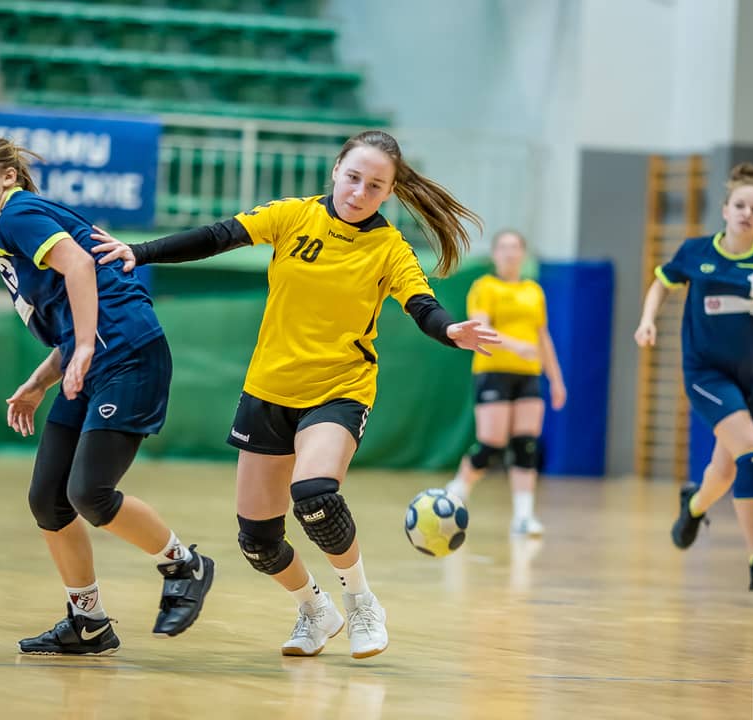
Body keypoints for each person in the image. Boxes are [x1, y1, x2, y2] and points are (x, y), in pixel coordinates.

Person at [92, 129, 498, 659]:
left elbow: (422, 304)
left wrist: (449, 330)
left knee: (316, 495)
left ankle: (361, 602)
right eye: (353, 178)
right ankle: (314, 608)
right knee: (257, 540)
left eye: (375, 186)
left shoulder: (389, 248)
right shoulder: (293, 215)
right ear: (336, 171)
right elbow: (218, 236)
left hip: (339, 389)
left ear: (391, 193)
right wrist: (138, 252)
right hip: (269, 389)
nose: (360, 192)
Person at [0, 135, 214, 655]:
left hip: (127, 355)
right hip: (93, 359)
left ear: (8, 176)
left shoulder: (17, 215)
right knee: (48, 499)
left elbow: (79, 266)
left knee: (89, 493)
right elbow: (72, 320)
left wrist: (88, 345)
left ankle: (186, 565)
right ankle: (88, 621)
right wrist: (40, 381)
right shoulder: (15, 225)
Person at [634, 162, 753, 591]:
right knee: (752, 451)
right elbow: (662, 283)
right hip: (705, 373)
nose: (747, 213)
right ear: (725, 210)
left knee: (726, 470)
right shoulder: (696, 252)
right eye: (740, 205)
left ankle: (694, 507)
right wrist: (647, 320)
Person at [444, 230, 567, 536]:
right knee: (492, 443)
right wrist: (516, 346)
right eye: (504, 248)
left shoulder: (533, 291)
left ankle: (523, 517)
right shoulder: (485, 287)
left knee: (526, 444)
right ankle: (458, 488)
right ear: (495, 254)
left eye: (515, 248)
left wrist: (556, 379)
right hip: (493, 370)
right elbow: (481, 329)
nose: (510, 253)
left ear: (523, 254)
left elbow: (542, 337)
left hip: (528, 374)